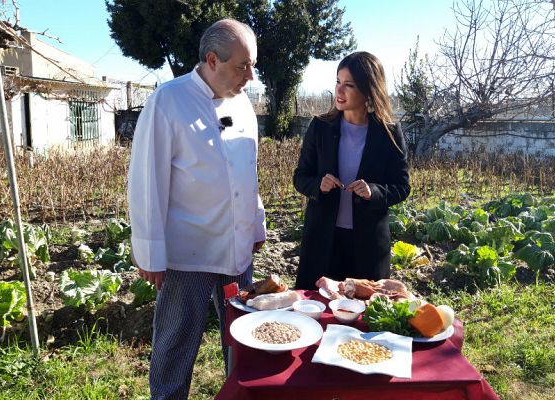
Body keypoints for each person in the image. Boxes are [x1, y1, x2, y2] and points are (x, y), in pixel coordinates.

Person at [127, 18, 265, 400]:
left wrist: (256, 226)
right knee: (176, 341)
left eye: (253, 64)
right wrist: (150, 252)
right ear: (212, 60)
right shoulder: (169, 101)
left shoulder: (244, 104)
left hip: (236, 249)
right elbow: (146, 180)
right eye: (242, 65)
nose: (250, 76)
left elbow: (247, 170)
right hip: (187, 253)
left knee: (241, 336)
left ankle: (240, 394)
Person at [293, 51, 410, 290]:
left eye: (349, 85)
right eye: (338, 82)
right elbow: (300, 176)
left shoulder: (388, 133)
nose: (339, 90)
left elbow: (402, 185)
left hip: (367, 246)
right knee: (317, 312)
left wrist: (373, 191)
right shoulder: (320, 127)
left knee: (362, 316)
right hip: (323, 241)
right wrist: (319, 185)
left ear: (368, 90)